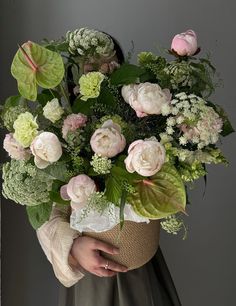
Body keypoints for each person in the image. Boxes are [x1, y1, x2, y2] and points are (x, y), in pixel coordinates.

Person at [36, 30, 182, 306]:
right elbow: (46, 215)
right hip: (90, 272)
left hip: (139, 265)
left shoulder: (144, 127)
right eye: (90, 67)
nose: (102, 72)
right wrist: (73, 247)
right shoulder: (57, 138)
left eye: (110, 64)